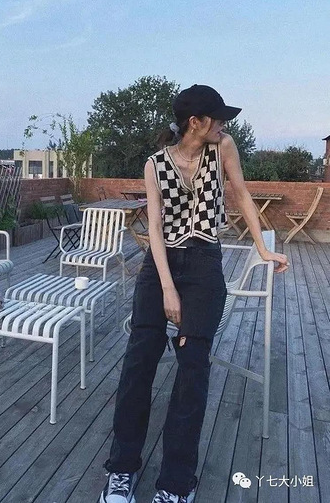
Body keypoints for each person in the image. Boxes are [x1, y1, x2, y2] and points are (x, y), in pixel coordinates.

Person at [99, 84, 289, 503]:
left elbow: (241, 193)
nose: (223, 125)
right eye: (217, 118)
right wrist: (168, 288)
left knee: (193, 366)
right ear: (195, 122)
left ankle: (175, 483)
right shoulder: (154, 164)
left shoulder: (223, 148)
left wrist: (262, 248)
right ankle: (122, 468)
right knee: (139, 360)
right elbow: (153, 228)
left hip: (204, 261)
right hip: (160, 264)